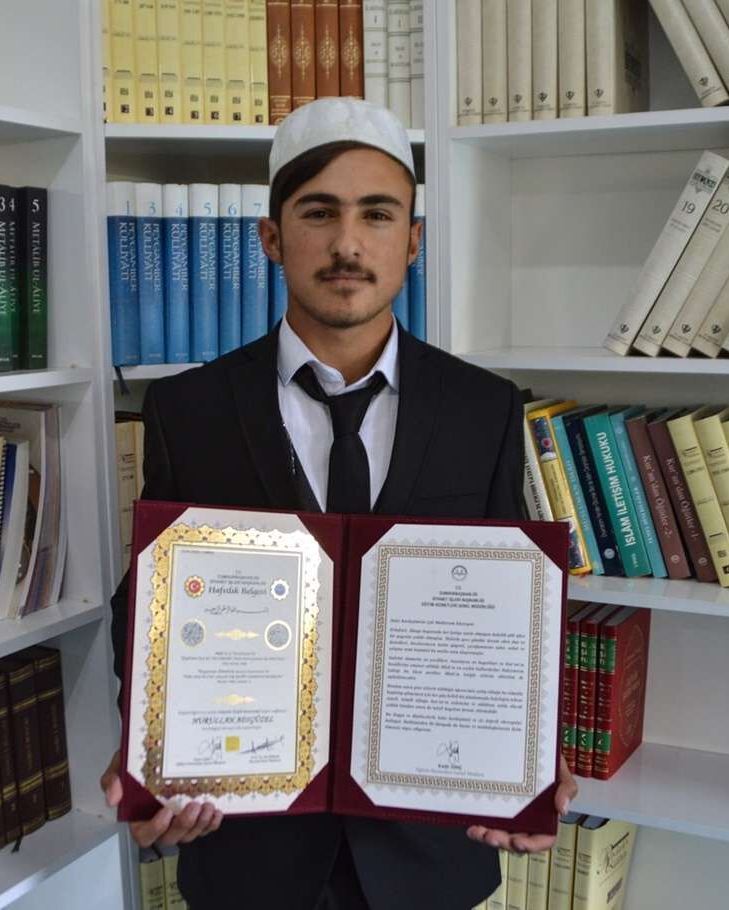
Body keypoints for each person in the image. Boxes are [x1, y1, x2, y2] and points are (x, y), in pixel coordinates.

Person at [100, 97, 578, 910]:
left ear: (412, 241)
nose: (348, 244)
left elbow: (510, 610)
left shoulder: (485, 408)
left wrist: (530, 757)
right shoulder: (188, 408)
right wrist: (148, 747)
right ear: (272, 237)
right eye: (319, 213)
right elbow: (149, 602)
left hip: (427, 851)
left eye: (377, 215)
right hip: (247, 841)